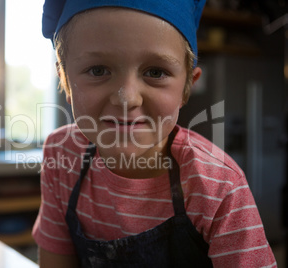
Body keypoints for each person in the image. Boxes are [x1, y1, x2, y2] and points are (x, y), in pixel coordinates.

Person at [32, 0, 277, 267]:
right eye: (98, 70)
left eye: (155, 72)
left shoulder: (218, 186)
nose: (127, 98)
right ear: (65, 80)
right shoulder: (61, 155)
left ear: (186, 87)